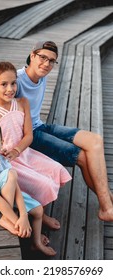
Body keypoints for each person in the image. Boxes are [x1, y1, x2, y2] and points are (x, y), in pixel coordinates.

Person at [0, 61, 71, 231]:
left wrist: (17, 150)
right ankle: (40, 215)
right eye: (4, 84)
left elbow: (29, 135)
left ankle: (38, 210)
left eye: (13, 83)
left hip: (23, 152)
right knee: (43, 184)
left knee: (56, 169)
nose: (10, 89)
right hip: (7, 161)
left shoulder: (22, 103)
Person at [16, 40, 113, 222]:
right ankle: (106, 206)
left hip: (41, 126)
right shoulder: (16, 81)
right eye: (42, 58)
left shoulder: (41, 76)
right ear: (32, 55)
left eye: (51, 61)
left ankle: (107, 200)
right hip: (29, 135)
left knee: (95, 140)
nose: (46, 64)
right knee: (82, 157)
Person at [0, 117, 56, 256]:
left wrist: (24, 215)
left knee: (38, 210)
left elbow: (16, 188)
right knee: (11, 174)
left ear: (2, 143)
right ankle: (6, 219)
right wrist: (17, 220)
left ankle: (36, 243)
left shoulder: (2, 159)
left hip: (3, 189)